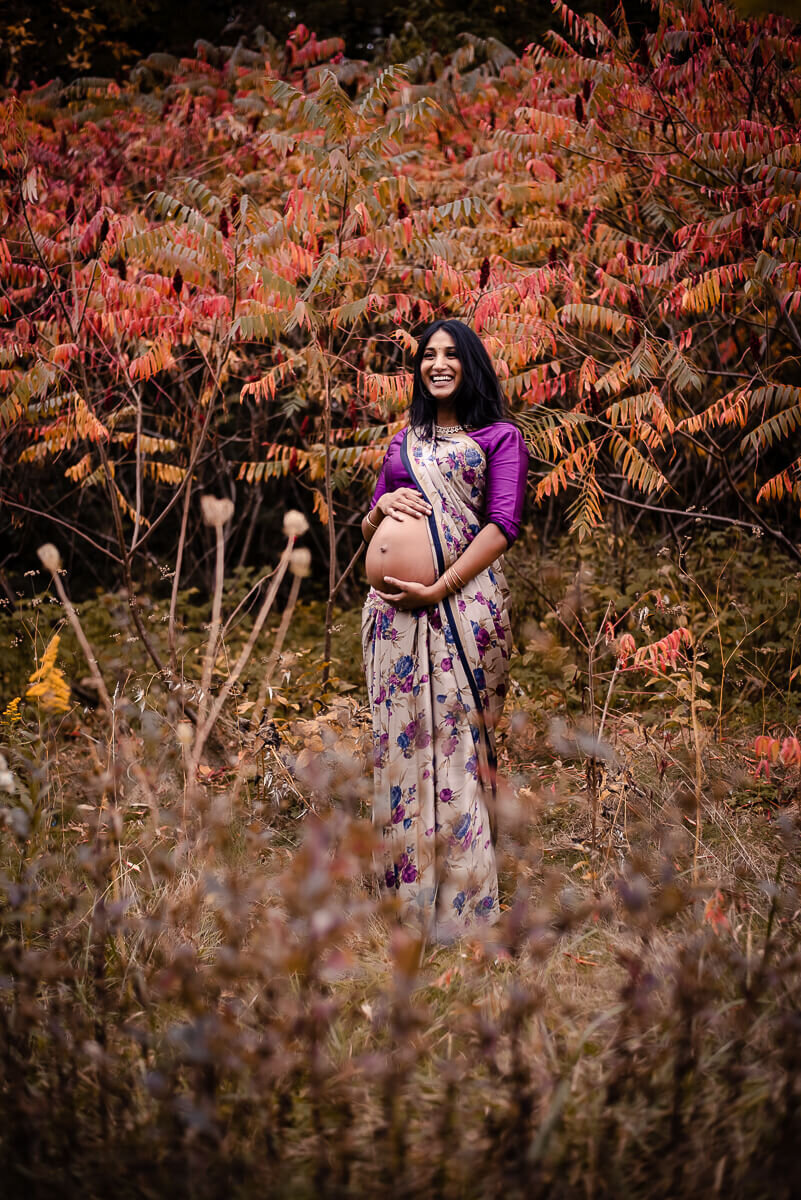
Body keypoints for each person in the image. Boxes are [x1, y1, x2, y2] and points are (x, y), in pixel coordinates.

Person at [361, 318, 528, 943]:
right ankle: (406, 902)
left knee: (456, 746)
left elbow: (502, 524)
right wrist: (379, 508)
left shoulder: (500, 437)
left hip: (462, 610)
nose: (436, 364)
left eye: (450, 355)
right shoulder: (402, 442)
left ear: (471, 365)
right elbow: (368, 524)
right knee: (403, 750)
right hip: (393, 624)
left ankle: (463, 909)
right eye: (427, 355)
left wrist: (440, 586)